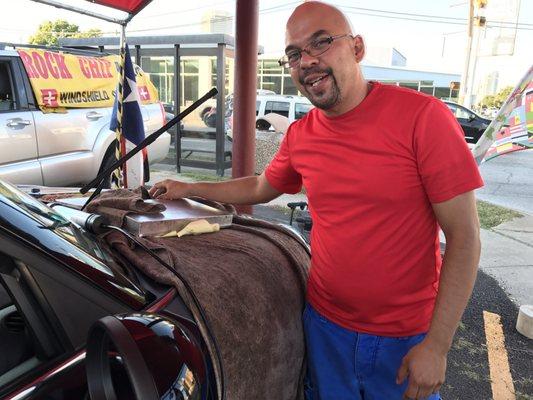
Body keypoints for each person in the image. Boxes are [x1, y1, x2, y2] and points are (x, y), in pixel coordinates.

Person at [149, 2, 483, 399]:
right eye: (294, 53)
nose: (306, 60)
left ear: (356, 48)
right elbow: (259, 187)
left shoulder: (423, 117)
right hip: (325, 328)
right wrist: (189, 189)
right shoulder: (302, 134)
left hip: (406, 338)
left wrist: (438, 346)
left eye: (320, 42)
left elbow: (465, 239)